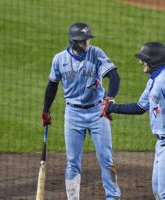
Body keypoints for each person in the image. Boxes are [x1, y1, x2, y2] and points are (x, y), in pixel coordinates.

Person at [41, 22, 121, 200]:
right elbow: (51, 86)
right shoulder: (59, 59)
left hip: (97, 113)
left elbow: (114, 76)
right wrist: (46, 110)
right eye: (83, 40)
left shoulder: (96, 53)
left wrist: (110, 99)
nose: (87, 43)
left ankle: (113, 197)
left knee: (106, 159)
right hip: (73, 115)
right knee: (72, 162)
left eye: (87, 39)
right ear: (73, 41)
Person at [101, 42, 165, 200]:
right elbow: (139, 107)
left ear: (155, 61)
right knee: (157, 191)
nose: (141, 61)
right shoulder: (153, 79)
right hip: (160, 144)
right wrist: (111, 108)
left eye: (144, 58)